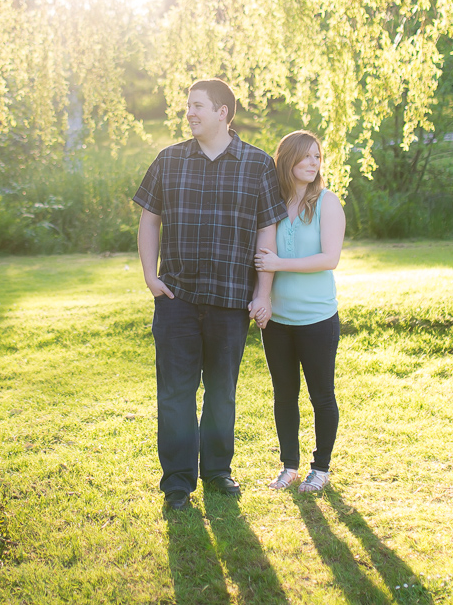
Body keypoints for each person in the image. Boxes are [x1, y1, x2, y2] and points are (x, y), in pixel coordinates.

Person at [133, 78, 288, 511]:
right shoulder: (169, 160)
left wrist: (264, 292)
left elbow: (267, 230)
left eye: (198, 106)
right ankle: (178, 483)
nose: (190, 113)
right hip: (177, 298)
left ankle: (218, 472)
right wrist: (150, 275)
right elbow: (150, 219)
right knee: (176, 394)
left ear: (223, 113)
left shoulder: (257, 165)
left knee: (222, 391)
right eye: (188, 107)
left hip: (230, 300)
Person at [253, 130, 345, 494]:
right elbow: (262, 258)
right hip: (277, 320)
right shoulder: (272, 204)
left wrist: (281, 262)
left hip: (317, 319)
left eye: (317, 157)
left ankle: (320, 469)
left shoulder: (326, 202)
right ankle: (289, 467)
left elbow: (330, 259)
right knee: (284, 394)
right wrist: (262, 297)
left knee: (321, 395)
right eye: (305, 156)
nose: (312, 163)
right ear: (287, 159)